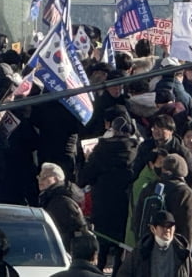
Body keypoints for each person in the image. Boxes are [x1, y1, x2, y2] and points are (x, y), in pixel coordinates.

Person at [77, 116, 138, 270]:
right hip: (124, 205)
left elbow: (84, 178)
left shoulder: (101, 150)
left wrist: (88, 159)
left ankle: (98, 271)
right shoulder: (135, 151)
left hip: (102, 206)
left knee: (102, 248)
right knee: (120, 248)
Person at [116, 212, 192, 277]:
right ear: (153, 229)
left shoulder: (182, 253)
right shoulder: (141, 252)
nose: (167, 229)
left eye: (170, 226)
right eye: (163, 226)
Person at [36, 163, 87, 252]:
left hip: (63, 249)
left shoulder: (62, 201)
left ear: (55, 179)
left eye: (44, 177)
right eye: (39, 177)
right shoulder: (50, 197)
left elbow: (76, 229)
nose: (40, 180)